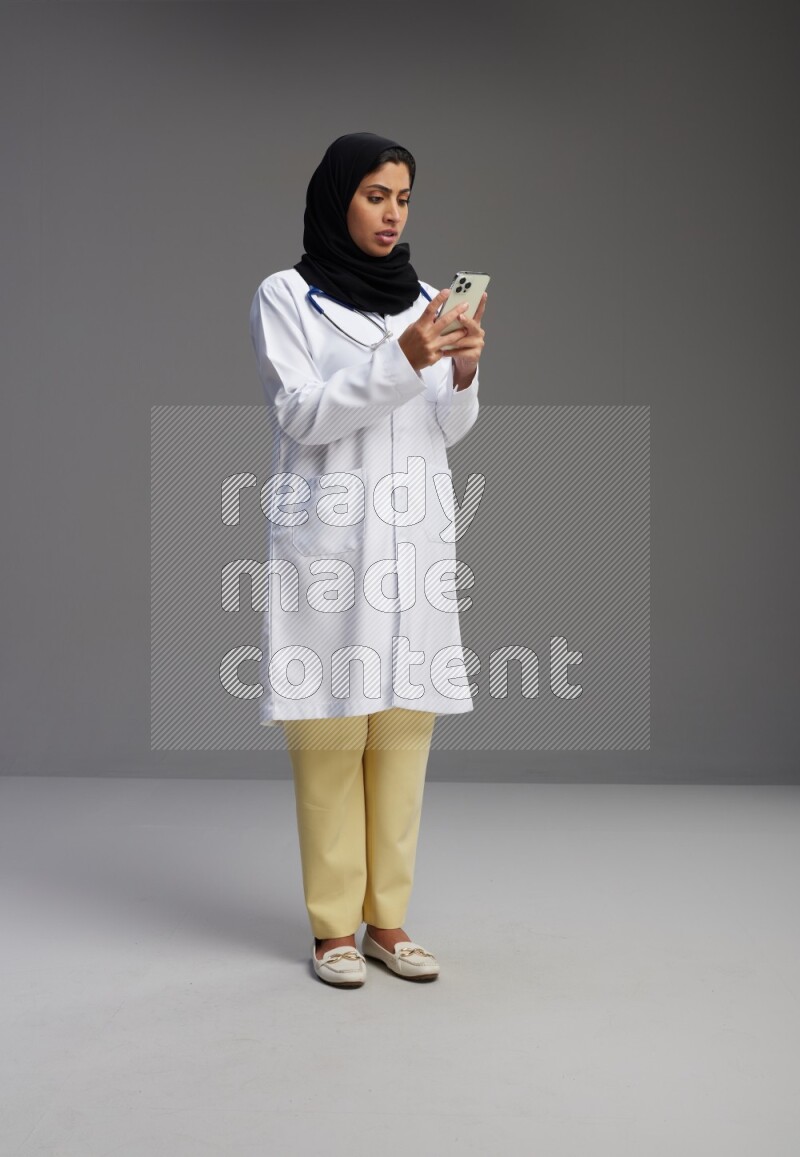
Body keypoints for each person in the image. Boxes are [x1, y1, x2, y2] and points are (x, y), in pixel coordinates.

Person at [249, 132, 487, 987]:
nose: (393, 214)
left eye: (405, 199)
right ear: (338, 197)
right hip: (332, 548)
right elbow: (302, 415)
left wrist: (460, 373)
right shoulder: (288, 296)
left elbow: (446, 432)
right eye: (376, 196)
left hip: (413, 549)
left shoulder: (427, 299)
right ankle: (331, 930)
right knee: (329, 742)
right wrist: (405, 358)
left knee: (402, 742)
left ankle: (387, 921)